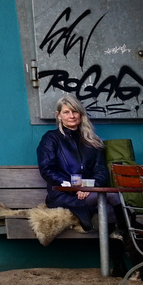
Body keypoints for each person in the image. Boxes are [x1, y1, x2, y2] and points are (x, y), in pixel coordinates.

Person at [37, 97, 111, 231]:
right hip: (62, 194)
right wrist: (75, 186)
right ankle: (125, 239)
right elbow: (47, 169)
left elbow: (101, 171)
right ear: (58, 115)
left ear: (81, 114)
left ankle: (120, 240)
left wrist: (88, 186)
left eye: (75, 112)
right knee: (112, 201)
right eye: (66, 112)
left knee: (112, 202)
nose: (71, 116)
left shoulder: (93, 141)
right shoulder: (51, 138)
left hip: (89, 192)